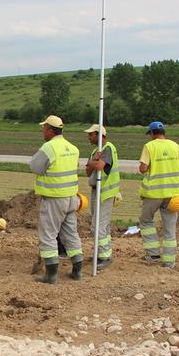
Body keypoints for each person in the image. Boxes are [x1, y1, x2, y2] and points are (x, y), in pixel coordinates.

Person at [29, 115, 84, 283]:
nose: (42, 132)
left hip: (54, 198)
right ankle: (77, 271)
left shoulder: (49, 147)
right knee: (71, 234)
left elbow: (35, 166)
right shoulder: (73, 148)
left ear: (50, 130)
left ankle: (51, 275)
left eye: (44, 129)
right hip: (71, 198)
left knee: (48, 235)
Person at [138, 121, 179, 269]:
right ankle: (169, 262)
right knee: (169, 228)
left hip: (153, 194)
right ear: (164, 132)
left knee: (146, 220)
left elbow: (143, 168)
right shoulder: (175, 146)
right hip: (173, 195)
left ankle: (153, 254)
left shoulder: (149, 146)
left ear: (152, 133)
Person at [84, 124, 121, 271]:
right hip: (96, 191)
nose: (88, 137)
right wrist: (93, 162)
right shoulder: (95, 151)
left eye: (91, 134)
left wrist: (92, 162)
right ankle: (102, 253)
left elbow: (99, 166)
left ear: (99, 135)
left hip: (105, 192)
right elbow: (88, 171)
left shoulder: (108, 148)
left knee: (98, 226)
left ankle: (105, 257)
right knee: (101, 226)